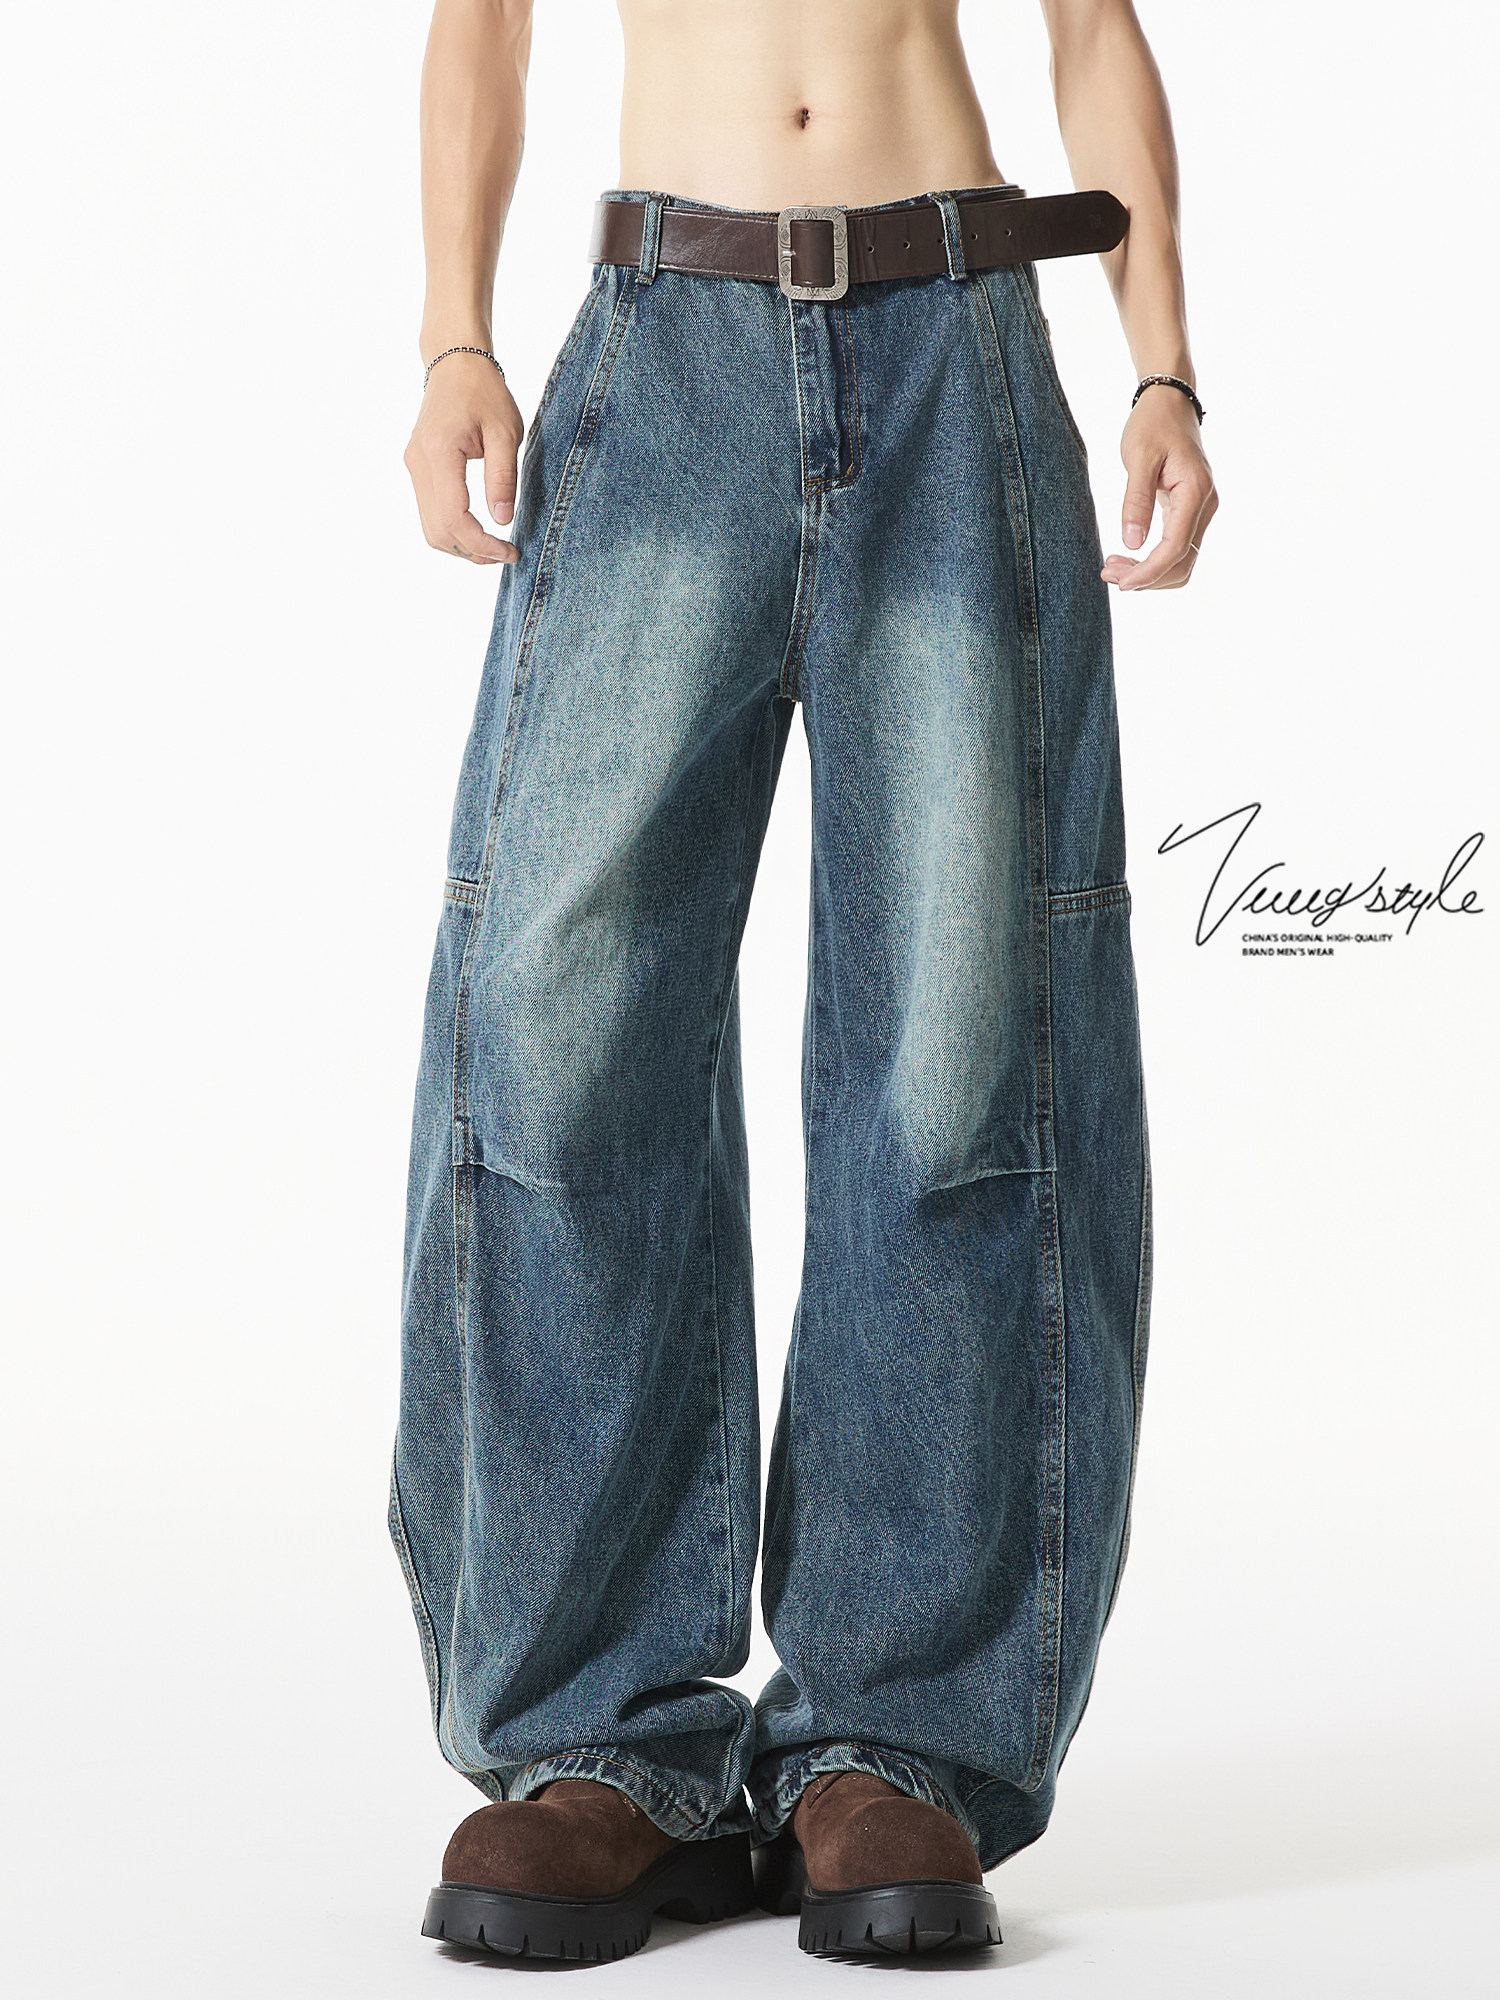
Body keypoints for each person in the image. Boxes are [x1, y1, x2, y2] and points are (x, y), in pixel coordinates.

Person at [391, 0, 1216, 1964]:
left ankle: (895, 1738)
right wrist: (453, 336)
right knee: (557, 1029)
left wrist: (1165, 367)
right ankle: (598, 1744)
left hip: (954, 334)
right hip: (661, 338)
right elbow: (482, 20)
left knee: (959, 1054)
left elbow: (1092, 28)